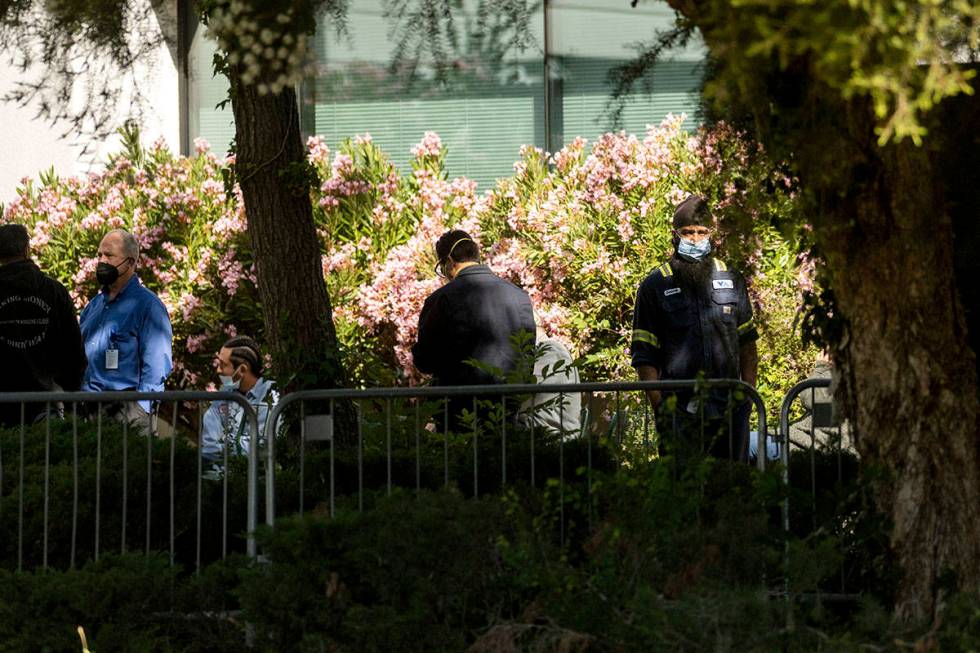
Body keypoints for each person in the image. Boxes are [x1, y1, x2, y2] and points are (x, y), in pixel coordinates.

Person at [630, 195, 759, 461]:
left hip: (729, 413)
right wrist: (661, 412)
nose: (696, 239)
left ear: (711, 235)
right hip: (679, 415)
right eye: (688, 233)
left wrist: (747, 398)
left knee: (732, 490)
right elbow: (644, 357)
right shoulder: (655, 286)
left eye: (702, 233)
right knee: (683, 494)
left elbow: (748, 344)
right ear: (675, 236)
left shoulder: (731, 279)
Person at [412, 230, 536, 431]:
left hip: (458, 414)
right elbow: (527, 353)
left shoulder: (442, 299)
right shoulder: (519, 297)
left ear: (449, 262)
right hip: (506, 410)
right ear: (476, 256)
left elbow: (426, 361)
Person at [79, 228, 172, 432]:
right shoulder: (93, 307)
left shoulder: (149, 306)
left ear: (130, 262)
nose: (101, 261)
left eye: (109, 255)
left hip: (127, 410)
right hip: (89, 410)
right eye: (99, 255)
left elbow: (157, 366)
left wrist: (141, 410)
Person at [0, 224, 87, 427]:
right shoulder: (54, 291)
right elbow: (74, 353)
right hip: (45, 406)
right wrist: (69, 391)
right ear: (26, 250)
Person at [201, 336, 278, 471]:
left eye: (223, 365)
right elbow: (209, 445)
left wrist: (227, 444)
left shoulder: (270, 396)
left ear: (242, 370)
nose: (218, 370)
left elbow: (261, 447)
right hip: (221, 478)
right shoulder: (225, 393)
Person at [518, 315, 582, 439]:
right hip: (546, 434)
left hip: (553, 438)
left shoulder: (551, 350)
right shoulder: (551, 350)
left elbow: (524, 401)